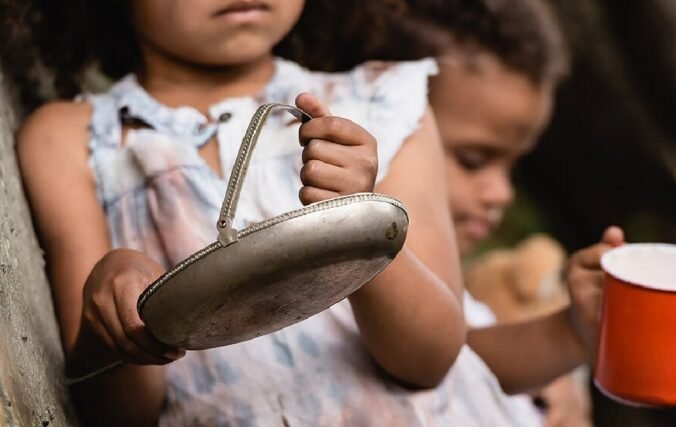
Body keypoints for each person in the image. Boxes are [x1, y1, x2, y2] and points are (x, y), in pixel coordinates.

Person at [9, 1, 616, 426]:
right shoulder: (72, 140)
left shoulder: (384, 104)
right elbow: (121, 412)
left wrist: (358, 227)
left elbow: (429, 358)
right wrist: (112, 292)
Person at [374, 0, 625, 425]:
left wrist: (572, 333)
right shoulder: (357, 287)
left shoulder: (469, 301)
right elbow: (435, 354)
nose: (501, 193)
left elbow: (461, 357)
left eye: (514, 166)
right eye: (472, 159)